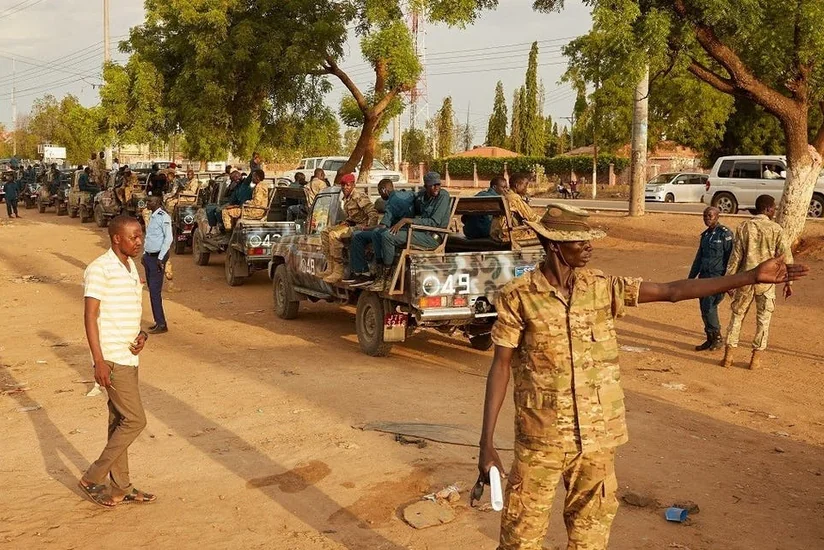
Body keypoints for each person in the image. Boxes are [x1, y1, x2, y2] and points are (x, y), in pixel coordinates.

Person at [478, 203, 808, 550]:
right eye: (581, 241)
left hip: (597, 440)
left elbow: (672, 291)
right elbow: (500, 367)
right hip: (540, 439)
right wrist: (486, 443)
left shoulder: (603, 288)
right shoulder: (518, 297)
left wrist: (750, 276)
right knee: (520, 538)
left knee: (589, 539)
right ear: (555, 246)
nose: (590, 246)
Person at [78, 215, 156, 508]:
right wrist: (98, 360)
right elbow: (90, 316)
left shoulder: (130, 266)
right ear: (116, 239)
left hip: (128, 354)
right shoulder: (100, 269)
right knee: (136, 420)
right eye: (133, 237)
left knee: (120, 421)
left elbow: (126, 309)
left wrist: (141, 334)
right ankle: (92, 477)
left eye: (140, 236)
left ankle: (121, 487)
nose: (139, 242)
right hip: (111, 357)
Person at [722, 195, 793, 369]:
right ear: (768, 209)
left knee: (737, 316)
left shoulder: (744, 227)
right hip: (767, 282)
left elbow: (736, 256)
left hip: (744, 279)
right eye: (773, 207)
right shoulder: (776, 229)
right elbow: (786, 257)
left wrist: (728, 280)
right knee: (763, 320)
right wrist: (788, 282)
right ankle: (755, 359)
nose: (775, 210)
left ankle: (728, 357)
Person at [372, 171, 452, 291]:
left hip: (431, 236)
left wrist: (406, 220)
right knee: (378, 233)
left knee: (388, 236)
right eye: (433, 185)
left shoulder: (443, 196)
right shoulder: (422, 195)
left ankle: (387, 277)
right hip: (418, 231)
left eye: (438, 185)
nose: (436, 188)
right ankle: (380, 272)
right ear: (426, 186)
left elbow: (434, 222)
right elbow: (411, 200)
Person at [345, 179, 415, 287]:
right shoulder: (404, 194)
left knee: (359, 235)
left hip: (398, 231)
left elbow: (383, 226)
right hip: (404, 229)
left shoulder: (392, 201)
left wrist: (364, 228)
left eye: (379, 192)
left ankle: (364, 273)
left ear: (384, 190)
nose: (380, 195)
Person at [317, 173, 378, 284]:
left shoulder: (358, 196)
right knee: (325, 232)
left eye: (348, 185)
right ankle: (330, 267)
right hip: (353, 225)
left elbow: (373, 213)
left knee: (334, 235)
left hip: (361, 228)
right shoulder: (347, 198)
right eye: (343, 185)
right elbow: (353, 215)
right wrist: (347, 222)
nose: (345, 187)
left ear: (353, 185)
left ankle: (338, 270)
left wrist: (370, 230)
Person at [689, 207, 734, 351]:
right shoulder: (705, 236)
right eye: (704, 216)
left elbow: (731, 259)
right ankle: (710, 338)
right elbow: (698, 259)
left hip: (717, 277)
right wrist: (690, 278)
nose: (707, 218)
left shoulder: (725, 234)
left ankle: (717, 337)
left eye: (710, 216)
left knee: (709, 307)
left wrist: (728, 282)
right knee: (704, 307)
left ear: (717, 216)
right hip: (704, 277)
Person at [143, 196, 173, 334]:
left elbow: (168, 239)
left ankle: (161, 324)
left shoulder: (163, 217)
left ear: (157, 203)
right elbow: (149, 237)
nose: (147, 203)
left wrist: (161, 259)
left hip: (157, 258)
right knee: (152, 291)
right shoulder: (152, 216)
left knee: (155, 292)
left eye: (150, 201)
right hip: (149, 257)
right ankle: (158, 322)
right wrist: (144, 254)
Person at [491, 172, 540, 244]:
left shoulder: (506, 195)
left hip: (495, 233)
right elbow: (531, 217)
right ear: (517, 185)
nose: (526, 189)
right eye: (525, 185)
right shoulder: (514, 198)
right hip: (507, 234)